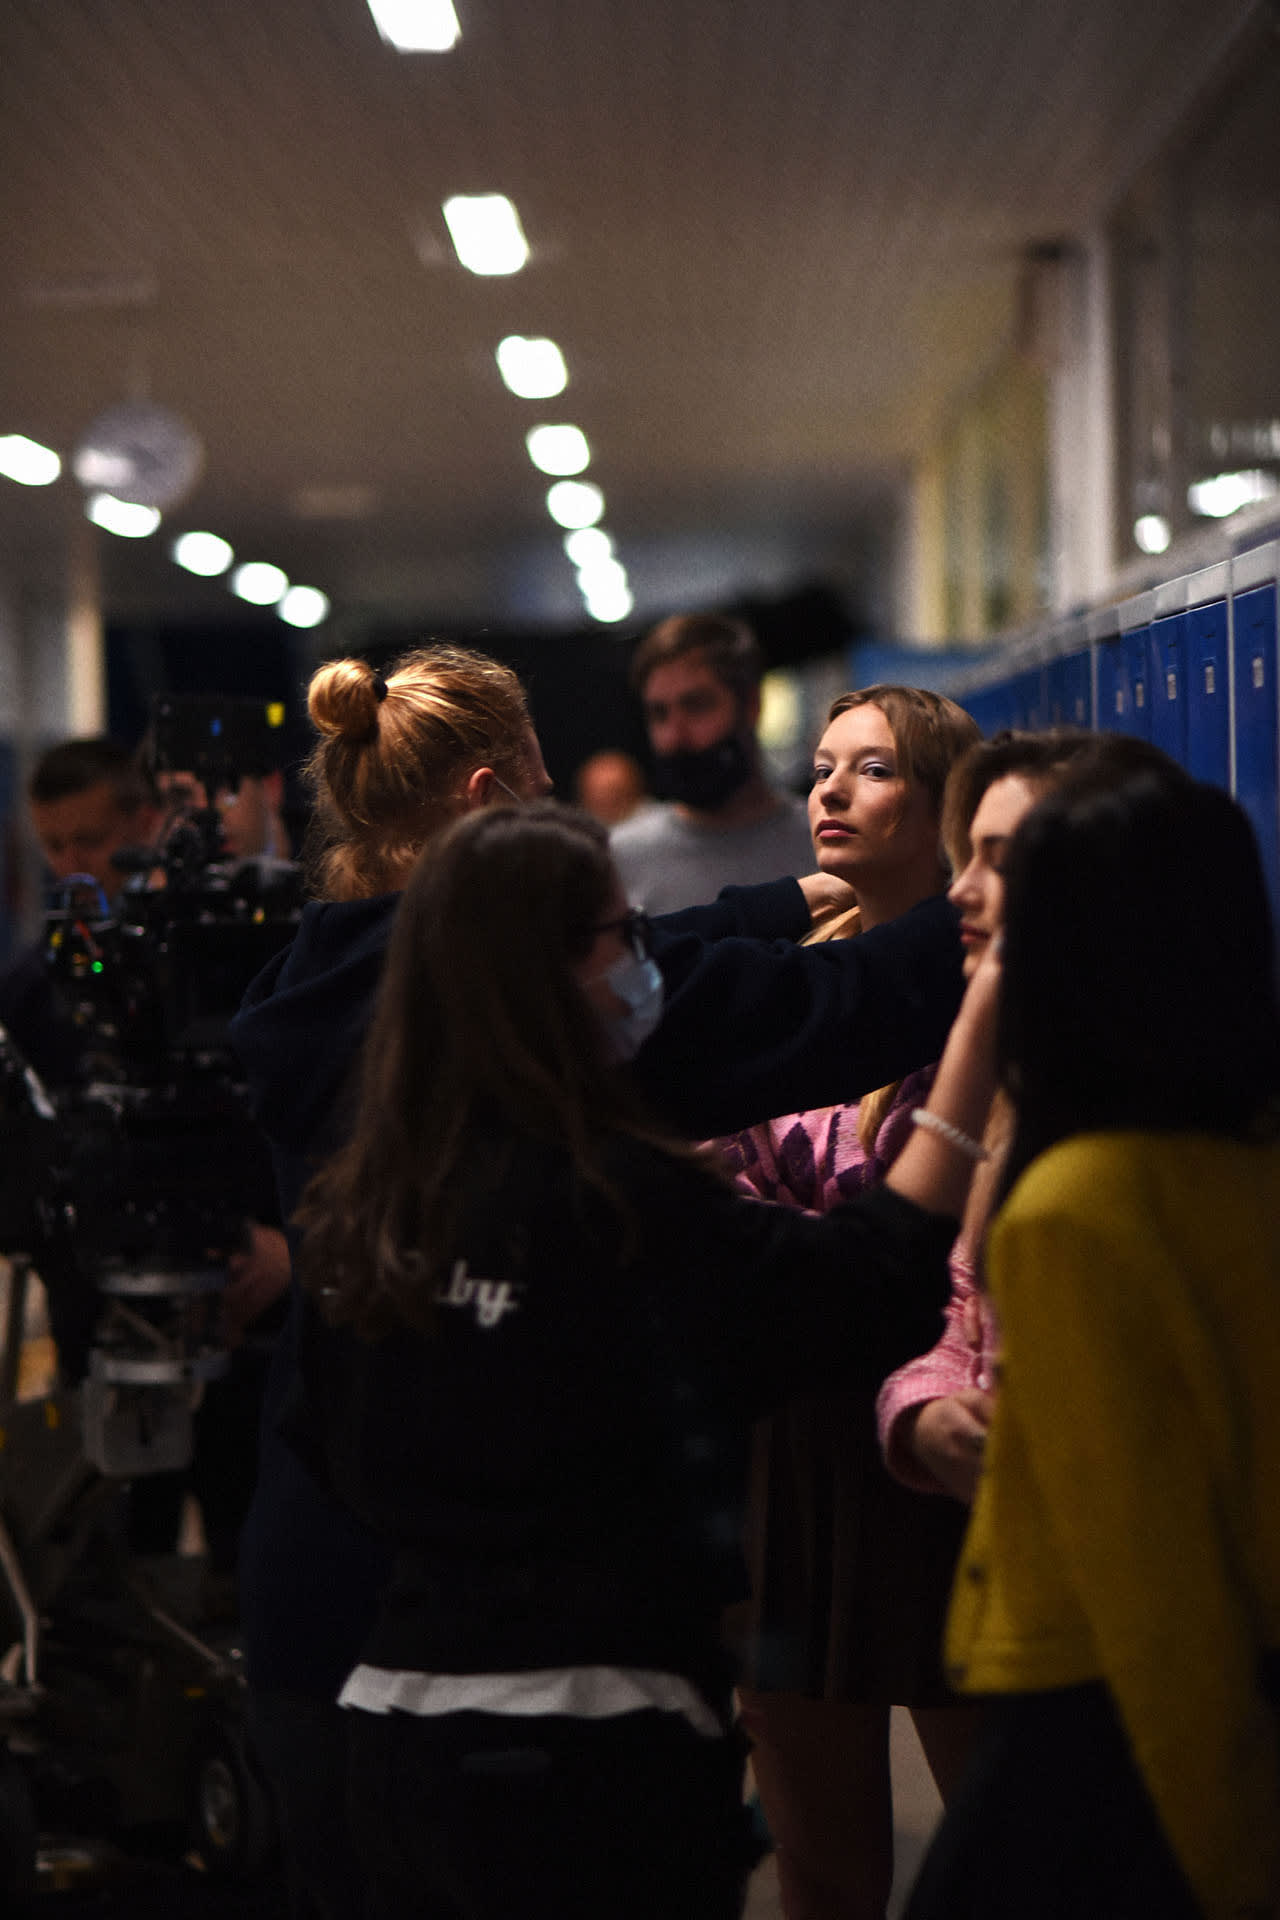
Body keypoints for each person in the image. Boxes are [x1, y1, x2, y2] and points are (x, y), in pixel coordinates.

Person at [229, 642, 972, 1918]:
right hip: (567, 1665)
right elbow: (829, 1009)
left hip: (330, 1609)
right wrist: (1011, 905)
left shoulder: (319, 983)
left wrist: (788, 896)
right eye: (543, 789)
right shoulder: (565, 1078)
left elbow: (658, 948)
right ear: (488, 805)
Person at [904, 758, 1280, 1920]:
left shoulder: (1074, 1210)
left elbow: (1153, 1590)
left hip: (1106, 1742)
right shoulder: (1240, 1165)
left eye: (1013, 882)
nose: (969, 900)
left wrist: (1234, 1865)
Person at [719, 686, 982, 1920]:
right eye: (823, 766)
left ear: (943, 807)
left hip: (933, 1438)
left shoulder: (981, 988)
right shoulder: (794, 975)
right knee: (821, 1873)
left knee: (994, 1857)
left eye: (871, 771)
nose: (828, 790)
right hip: (791, 1442)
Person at [876, 728, 1102, 1505]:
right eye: (966, 855)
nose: (960, 890)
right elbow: (955, 1310)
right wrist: (925, 1413)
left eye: (998, 860)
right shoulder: (1016, 1088)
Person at [610, 612, 814, 912]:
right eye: (659, 714)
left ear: (752, 705)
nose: (674, 737)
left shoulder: (825, 841)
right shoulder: (620, 861)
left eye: (696, 706)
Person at [0, 737, 161, 1085]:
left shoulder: (178, 956)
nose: (71, 866)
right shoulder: (27, 989)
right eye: (53, 846)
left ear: (145, 823)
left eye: (90, 841)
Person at [575, 746, 653, 827]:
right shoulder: (577, 825)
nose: (603, 797)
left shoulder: (655, 825)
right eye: (596, 791)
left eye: (613, 791)